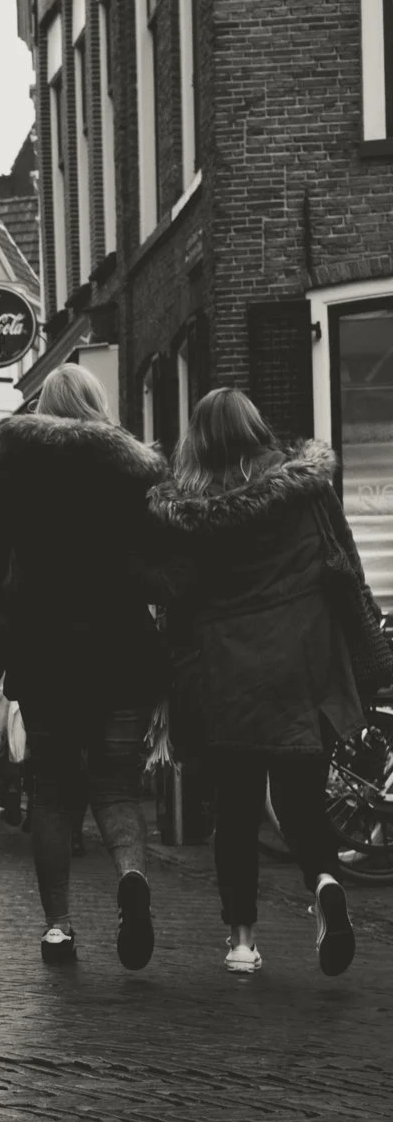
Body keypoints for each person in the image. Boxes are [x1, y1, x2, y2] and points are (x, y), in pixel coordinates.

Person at [0, 364, 167, 968]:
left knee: (54, 792)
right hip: (123, 649)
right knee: (115, 785)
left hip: (47, 651)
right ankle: (131, 877)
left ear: (42, 410)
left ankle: (59, 927)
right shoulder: (131, 471)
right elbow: (159, 562)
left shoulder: (13, 472)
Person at [147, 389, 360, 976]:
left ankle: (242, 941)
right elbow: (342, 562)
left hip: (225, 675)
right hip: (303, 665)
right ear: (257, 427)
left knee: (235, 813)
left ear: (200, 437)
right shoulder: (307, 488)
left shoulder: (190, 509)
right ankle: (322, 882)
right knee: (302, 803)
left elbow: (176, 588)